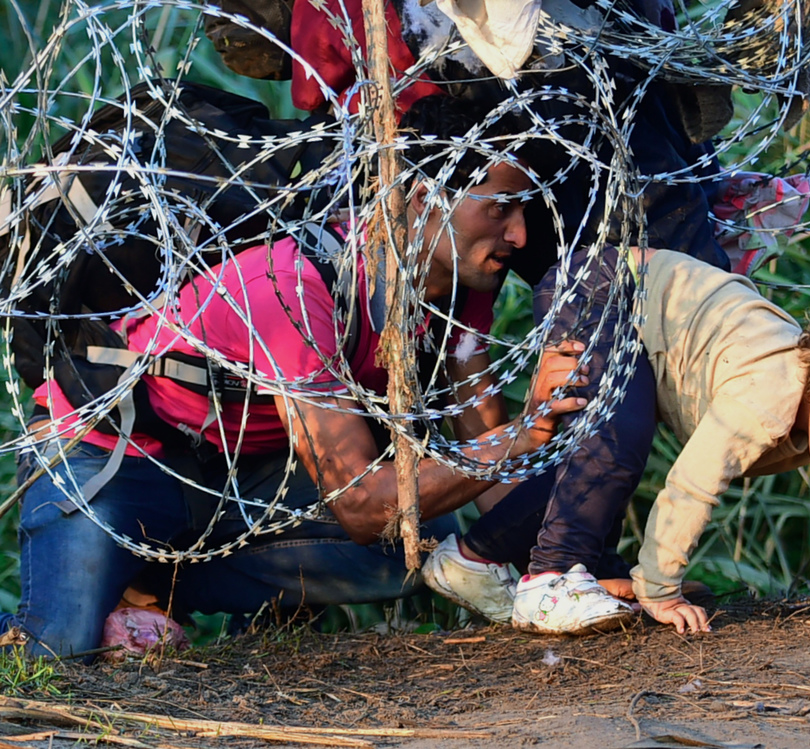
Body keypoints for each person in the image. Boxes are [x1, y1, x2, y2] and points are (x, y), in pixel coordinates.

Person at [0, 94, 588, 659]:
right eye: (500, 206)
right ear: (420, 198)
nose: (519, 235)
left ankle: (156, 582)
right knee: (59, 652)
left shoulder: (455, 292)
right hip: (117, 454)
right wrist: (523, 433)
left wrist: (574, 563)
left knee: (423, 540)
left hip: (238, 473)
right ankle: (101, 593)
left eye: (525, 209)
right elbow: (360, 503)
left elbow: (486, 458)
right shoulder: (293, 288)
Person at [424, 246, 810, 636]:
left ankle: (473, 560)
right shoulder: (771, 391)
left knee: (605, 449)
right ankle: (550, 577)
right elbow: (692, 486)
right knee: (616, 438)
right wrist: (659, 589)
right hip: (603, 289)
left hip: (642, 317)